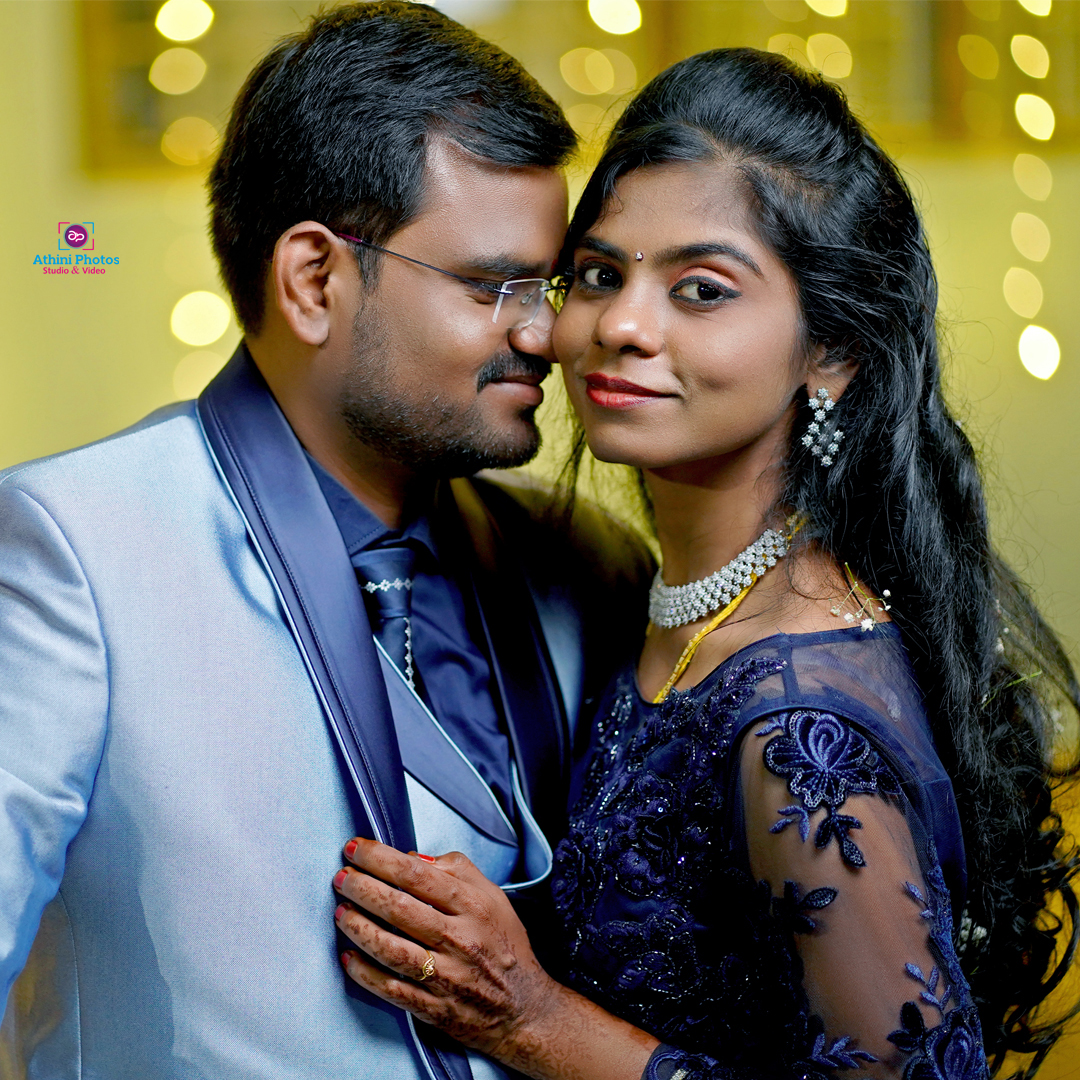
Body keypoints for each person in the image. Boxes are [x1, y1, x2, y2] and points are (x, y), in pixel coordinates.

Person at [328, 48, 1080, 1080]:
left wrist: (534, 1021)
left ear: (831, 352)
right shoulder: (649, 598)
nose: (622, 326)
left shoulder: (800, 717)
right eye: (598, 275)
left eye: (701, 289)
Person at [0, 5, 653, 1078]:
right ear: (315, 280)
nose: (545, 334)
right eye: (494, 287)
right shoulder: (74, 552)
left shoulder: (585, 560)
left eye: (549, 286)